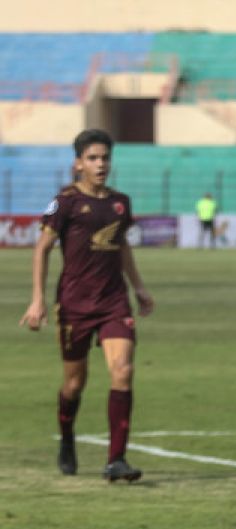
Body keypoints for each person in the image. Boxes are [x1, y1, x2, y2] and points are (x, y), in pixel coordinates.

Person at [19, 128, 154, 481]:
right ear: (78, 163)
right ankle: (66, 437)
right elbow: (41, 249)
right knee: (74, 384)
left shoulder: (120, 202)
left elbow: (121, 246)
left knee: (123, 370)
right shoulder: (64, 202)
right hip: (74, 305)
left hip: (113, 303)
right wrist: (38, 300)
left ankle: (116, 460)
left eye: (105, 158)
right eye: (93, 158)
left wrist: (138, 288)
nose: (101, 164)